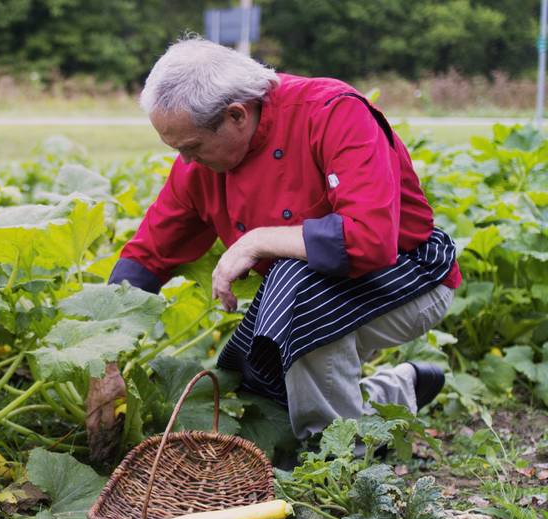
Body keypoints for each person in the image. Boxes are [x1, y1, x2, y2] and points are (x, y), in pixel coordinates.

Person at [98, 37, 460, 449]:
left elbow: (370, 239)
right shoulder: (201, 166)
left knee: (294, 295)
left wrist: (257, 241)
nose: (185, 161)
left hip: (411, 275)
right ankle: (392, 395)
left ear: (235, 115)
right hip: (318, 290)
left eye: (191, 147)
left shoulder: (332, 112)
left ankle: (338, 463)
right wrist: (104, 354)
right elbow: (148, 254)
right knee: (272, 345)